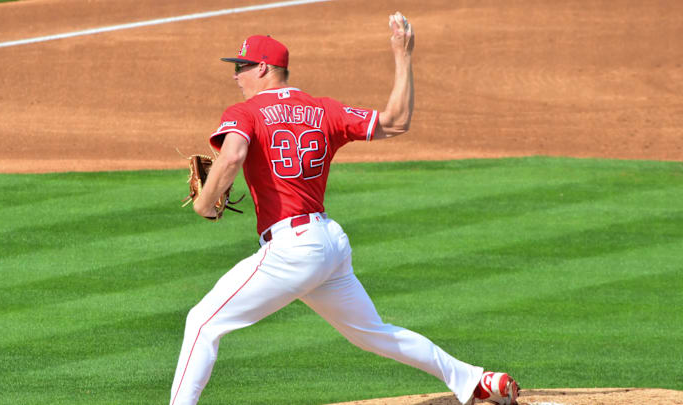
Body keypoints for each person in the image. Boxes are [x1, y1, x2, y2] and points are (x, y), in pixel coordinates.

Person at [170, 12, 519, 405]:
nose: (236, 76)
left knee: (201, 322)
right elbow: (396, 121)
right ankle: (476, 381)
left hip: (292, 250)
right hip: (329, 244)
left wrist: (204, 203)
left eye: (241, 67)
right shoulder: (324, 109)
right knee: (373, 333)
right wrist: (403, 56)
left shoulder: (245, 114)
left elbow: (232, 156)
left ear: (264, 68)